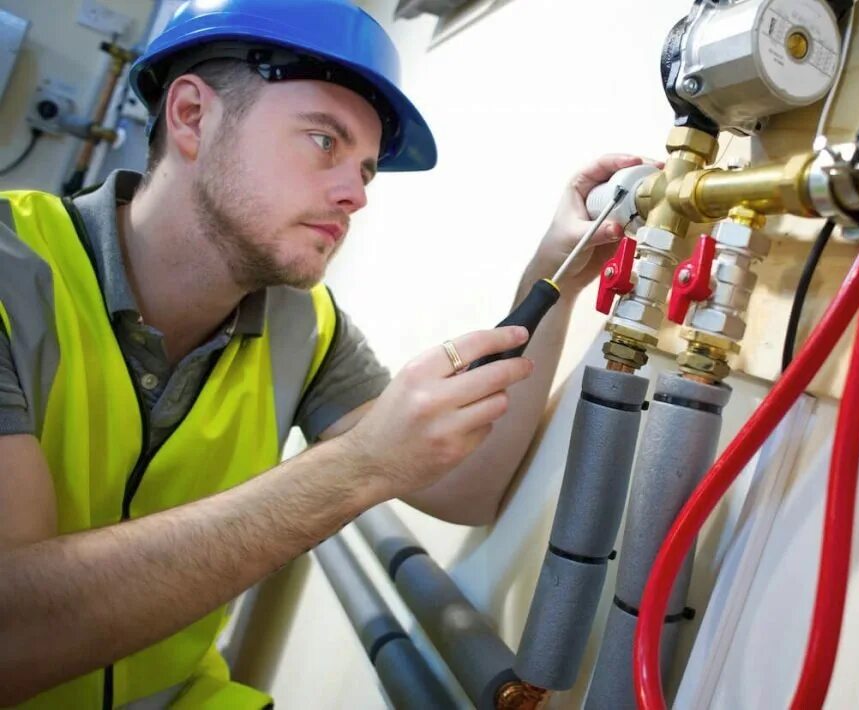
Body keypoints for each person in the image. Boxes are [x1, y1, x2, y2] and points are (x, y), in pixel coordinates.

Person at [0, 0, 646, 706]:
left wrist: (554, 273)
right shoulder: (13, 271)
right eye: (323, 142)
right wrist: (359, 467)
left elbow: (468, 487)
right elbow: (14, 632)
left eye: (366, 170)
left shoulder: (303, 326)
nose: (355, 194)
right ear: (191, 117)